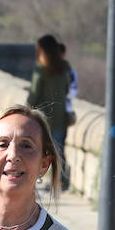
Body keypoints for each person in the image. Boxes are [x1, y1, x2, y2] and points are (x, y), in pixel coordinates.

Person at [26, 34, 77, 192]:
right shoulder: (64, 66)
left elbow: (34, 93)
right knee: (58, 150)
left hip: (43, 117)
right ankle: (60, 182)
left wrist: (27, 109)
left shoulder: (41, 68)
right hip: (60, 116)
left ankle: (43, 180)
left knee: (39, 151)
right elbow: (68, 88)